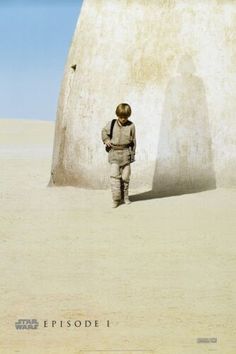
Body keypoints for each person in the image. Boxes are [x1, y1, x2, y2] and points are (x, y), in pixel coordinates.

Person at [101, 103, 136, 208]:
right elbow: (104, 132)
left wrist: (132, 155)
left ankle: (125, 197)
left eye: (125, 117)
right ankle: (116, 200)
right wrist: (106, 140)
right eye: (121, 117)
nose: (123, 119)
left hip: (126, 154)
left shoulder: (131, 126)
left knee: (125, 178)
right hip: (114, 154)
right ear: (117, 115)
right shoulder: (111, 124)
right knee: (114, 177)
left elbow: (134, 141)